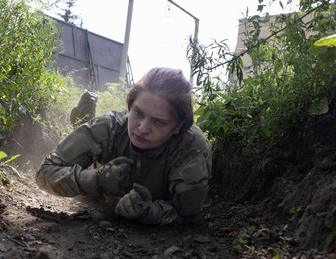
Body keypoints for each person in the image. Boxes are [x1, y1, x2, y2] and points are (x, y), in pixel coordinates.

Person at [35, 67, 212, 226]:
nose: (142, 129)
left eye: (159, 122)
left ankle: (84, 121)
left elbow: (187, 213)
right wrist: (97, 181)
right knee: (92, 141)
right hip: (97, 165)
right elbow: (44, 173)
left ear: (178, 126)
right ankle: (83, 121)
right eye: (138, 113)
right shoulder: (109, 127)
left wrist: (147, 212)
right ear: (128, 108)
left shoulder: (192, 148)